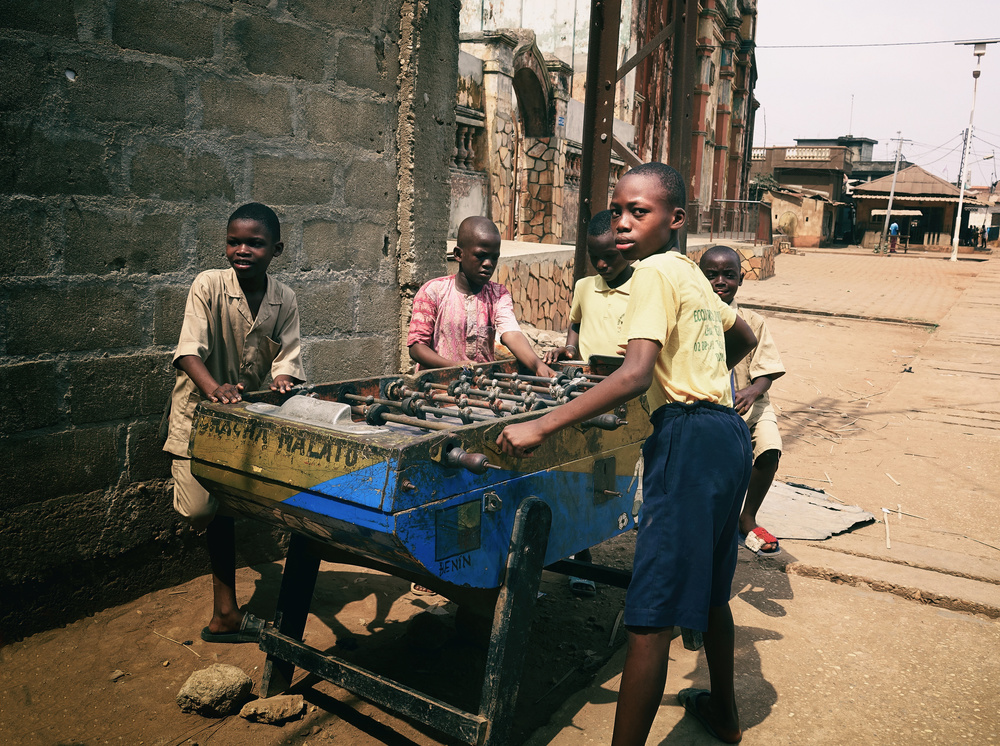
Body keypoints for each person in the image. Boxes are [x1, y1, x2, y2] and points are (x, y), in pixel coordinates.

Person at [497, 162, 757, 745]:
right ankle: (725, 715)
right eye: (617, 211)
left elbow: (636, 374)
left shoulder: (653, 273)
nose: (622, 223)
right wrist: (699, 373)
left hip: (689, 438)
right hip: (727, 435)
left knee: (650, 614)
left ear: (675, 219)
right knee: (712, 594)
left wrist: (542, 425)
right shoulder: (689, 273)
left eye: (639, 212)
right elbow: (743, 336)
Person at [163, 202, 305, 643]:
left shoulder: (285, 299)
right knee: (200, 509)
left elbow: (287, 359)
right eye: (234, 242)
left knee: (227, 504)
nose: (242, 250)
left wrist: (282, 379)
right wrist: (214, 389)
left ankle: (224, 614)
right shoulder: (207, 285)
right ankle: (225, 612)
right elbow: (188, 351)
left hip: (245, 422)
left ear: (276, 249)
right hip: (199, 415)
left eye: (254, 243)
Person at [544, 209, 634, 597]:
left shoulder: (644, 287)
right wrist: (567, 349)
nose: (601, 264)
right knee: (578, 475)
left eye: (609, 257)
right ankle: (581, 558)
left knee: (614, 479)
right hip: (584, 395)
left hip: (627, 398)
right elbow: (576, 324)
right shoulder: (585, 286)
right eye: (594, 257)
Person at [699, 246, 785, 555]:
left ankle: (747, 518)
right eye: (711, 275)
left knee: (769, 449)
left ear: (741, 279)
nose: (720, 281)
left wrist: (752, 391)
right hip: (708, 408)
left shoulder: (753, 321)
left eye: (729, 275)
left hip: (749, 406)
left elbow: (767, 370)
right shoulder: (694, 319)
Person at [407, 215, 556, 377]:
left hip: (481, 386)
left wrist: (538, 365)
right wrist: (454, 367)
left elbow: (511, 333)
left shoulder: (498, 295)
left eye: (494, 258)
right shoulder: (433, 292)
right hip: (437, 385)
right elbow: (416, 347)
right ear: (459, 254)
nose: (488, 264)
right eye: (480, 255)